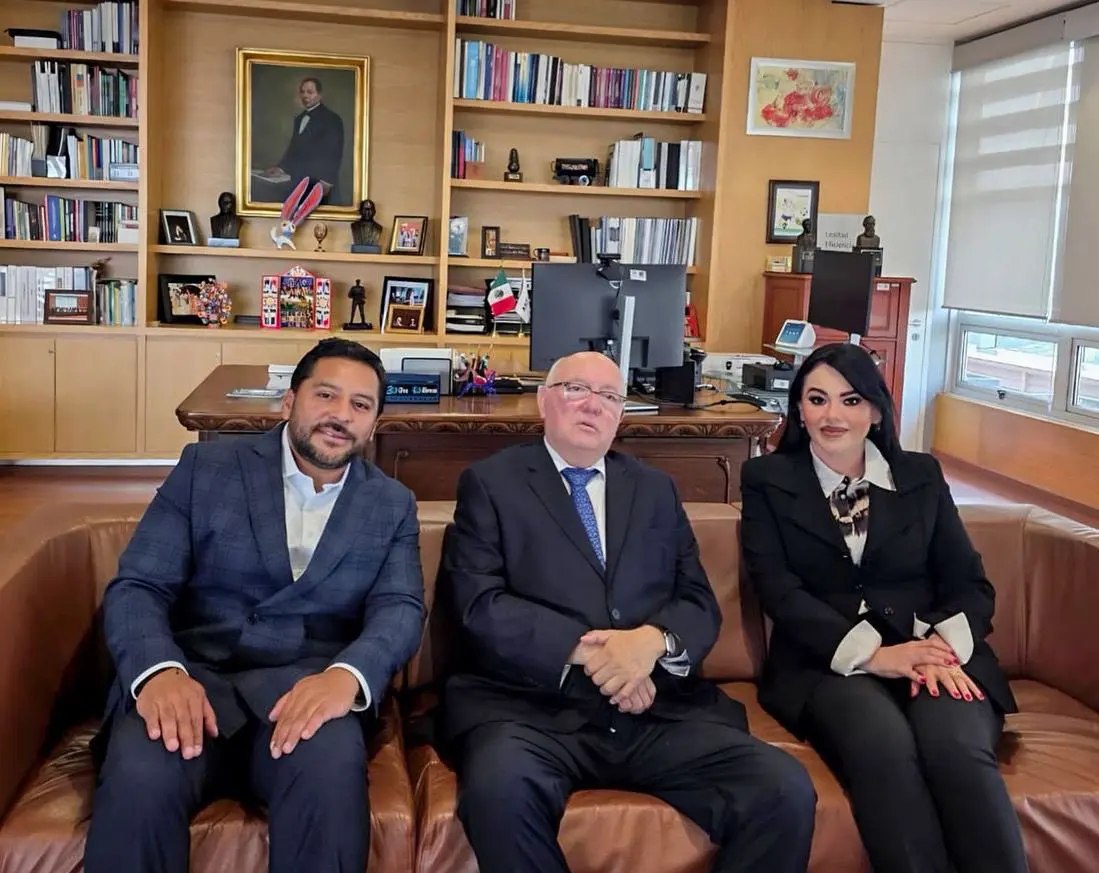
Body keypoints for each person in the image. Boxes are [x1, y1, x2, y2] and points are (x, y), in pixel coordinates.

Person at [440, 350, 817, 873]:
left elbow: (698, 602)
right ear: (545, 401)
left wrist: (650, 643)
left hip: (656, 711)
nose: (593, 406)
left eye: (610, 397)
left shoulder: (654, 489)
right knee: (498, 792)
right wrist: (594, 653)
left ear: (622, 414)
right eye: (577, 390)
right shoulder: (490, 483)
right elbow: (479, 604)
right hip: (534, 714)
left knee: (784, 788)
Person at [84, 338, 426, 873]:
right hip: (194, 680)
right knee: (141, 776)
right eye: (326, 395)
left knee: (329, 772)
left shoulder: (391, 503)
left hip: (306, 690)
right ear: (289, 402)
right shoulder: (207, 468)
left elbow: (401, 607)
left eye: (361, 405)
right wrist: (158, 673)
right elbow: (138, 586)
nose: (341, 415)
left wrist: (348, 676)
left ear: (375, 423)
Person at [739, 342, 1028, 873]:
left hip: (932, 652)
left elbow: (969, 582)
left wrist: (941, 649)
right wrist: (875, 656)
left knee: (955, 747)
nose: (832, 415)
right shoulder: (767, 481)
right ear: (798, 409)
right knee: (883, 747)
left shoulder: (920, 475)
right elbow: (778, 591)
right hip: (828, 662)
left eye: (850, 401)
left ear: (875, 410)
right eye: (816, 399)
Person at [259, 76, 345, 205]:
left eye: (310, 92)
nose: (305, 96)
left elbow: (334, 153)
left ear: (319, 95)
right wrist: (280, 168)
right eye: (302, 92)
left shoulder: (332, 119)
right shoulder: (299, 118)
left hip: (321, 184)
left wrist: (326, 182)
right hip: (299, 181)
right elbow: (294, 148)